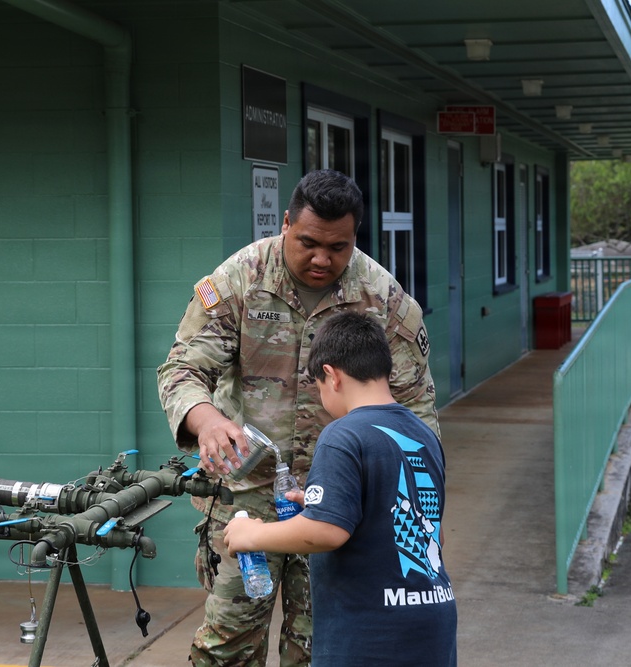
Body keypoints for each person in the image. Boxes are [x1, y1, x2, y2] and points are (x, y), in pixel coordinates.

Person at [157, 169, 439, 666]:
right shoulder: (241, 278)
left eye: (339, 247)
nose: (321, 259)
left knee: (318, 649)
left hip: (337, 508)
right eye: (308, 242)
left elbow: (416, 412)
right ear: (286, 223)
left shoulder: (383, 299)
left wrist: (408, 513)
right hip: (246, 505)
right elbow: (183, 367)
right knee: (226, 647)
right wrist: (206, 420)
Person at [223, 311, 456, 666]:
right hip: (431, 621)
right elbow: (403, 511)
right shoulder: (422, 433)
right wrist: (328, 503)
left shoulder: (342, 435)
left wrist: (251, 535)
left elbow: (327, 532)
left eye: (317, 387)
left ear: (330, 375)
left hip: (369, 636)